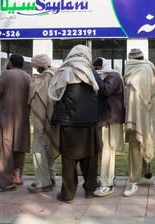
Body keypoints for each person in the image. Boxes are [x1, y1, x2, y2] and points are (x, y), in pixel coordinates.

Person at [49, 45, 102, 203]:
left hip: (69, 122)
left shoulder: (64, 71)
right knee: (90, 157)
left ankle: (68, 194)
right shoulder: (91, 72)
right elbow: (100, 90)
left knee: (69, 159)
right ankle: (90, 190)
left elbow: (55, 94)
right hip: (89, 121)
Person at [123, 48, 155, 197]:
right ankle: (145, 175)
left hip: (135, 114)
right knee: (146, 140)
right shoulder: (150, 68)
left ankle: (134, 181)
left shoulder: (132, 69)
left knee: (134, 147)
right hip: (148, 112)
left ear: (131, 59)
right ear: (142, 57)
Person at [0, 54, 31, 192]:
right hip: (23, 117)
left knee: (3, 149)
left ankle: (5, 183)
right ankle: (17, 177)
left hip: (6, 117)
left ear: (10, 63)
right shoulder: (27, 77)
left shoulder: (6, 75)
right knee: (19, 147)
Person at [92, 57, 125, 197]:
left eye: (96, 68)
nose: (96, 71)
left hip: (110, 119)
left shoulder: (113, 76)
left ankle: (107, 183)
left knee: (107, 151)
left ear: (101, 66)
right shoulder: (106, 76)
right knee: (103, 152)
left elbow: (105, 90)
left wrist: (94, 75)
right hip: (103, 119)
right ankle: (106, 178)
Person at [28, 54, 59, 193]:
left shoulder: (47, 77)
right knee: (48, 147)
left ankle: (43, 182)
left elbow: (41, 98)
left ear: (41, 65)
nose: (35, 69)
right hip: (52, 119)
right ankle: (50, 178)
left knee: (38, 150)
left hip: (45, 118)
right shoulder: (55, 74)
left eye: (36, 66)